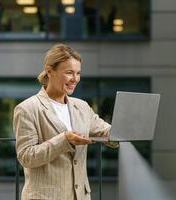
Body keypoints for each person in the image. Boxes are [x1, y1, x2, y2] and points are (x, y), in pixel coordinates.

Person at [13, 43, 118, 200]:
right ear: (49, 71)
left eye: (78, 73)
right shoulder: (28, 108)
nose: (75, 79)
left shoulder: (82, 107)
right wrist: (64, 140)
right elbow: (26, 157)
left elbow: (107, 132)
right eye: (69, 73)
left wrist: (128, 127)